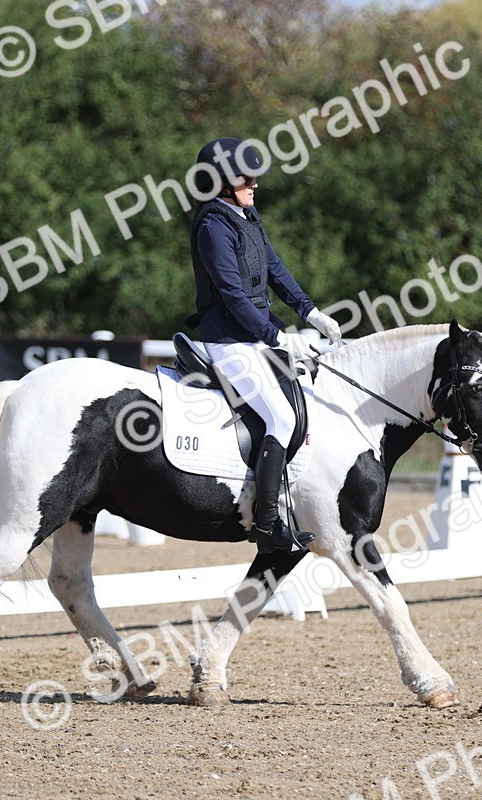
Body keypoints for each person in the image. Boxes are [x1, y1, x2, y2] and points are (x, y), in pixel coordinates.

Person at [186, 137, 342, 553]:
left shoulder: (245, 214)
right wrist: (277, 336)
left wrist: (309, 312)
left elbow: (273, 265)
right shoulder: (212, 226)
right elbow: (233, 296)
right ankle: (268, 525)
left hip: (254, 334)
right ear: (219, 181)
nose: (254, 183)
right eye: (244, 177)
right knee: (282, 419)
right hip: (228, 340)